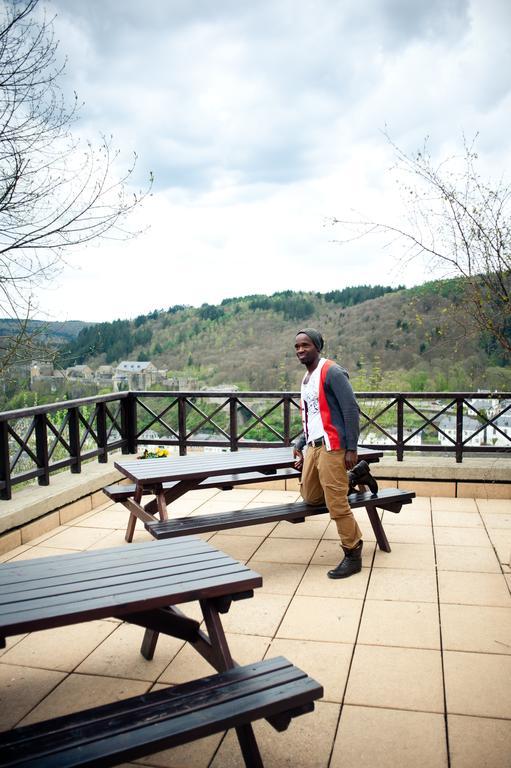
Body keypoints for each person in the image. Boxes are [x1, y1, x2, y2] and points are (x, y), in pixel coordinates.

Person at [293, 328, 363, 578]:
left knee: (336, 503)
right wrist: (300, 443)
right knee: (310, 496)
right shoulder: (306, 378)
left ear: (318, 347)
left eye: (306, 345)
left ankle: (353, 552)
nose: (301, 350)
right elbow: (312, 415)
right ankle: (353, 479)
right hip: (313, 446)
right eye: (297, 346)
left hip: (333, 445)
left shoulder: (331, 371)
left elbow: (351, 410)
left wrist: (352, 448)